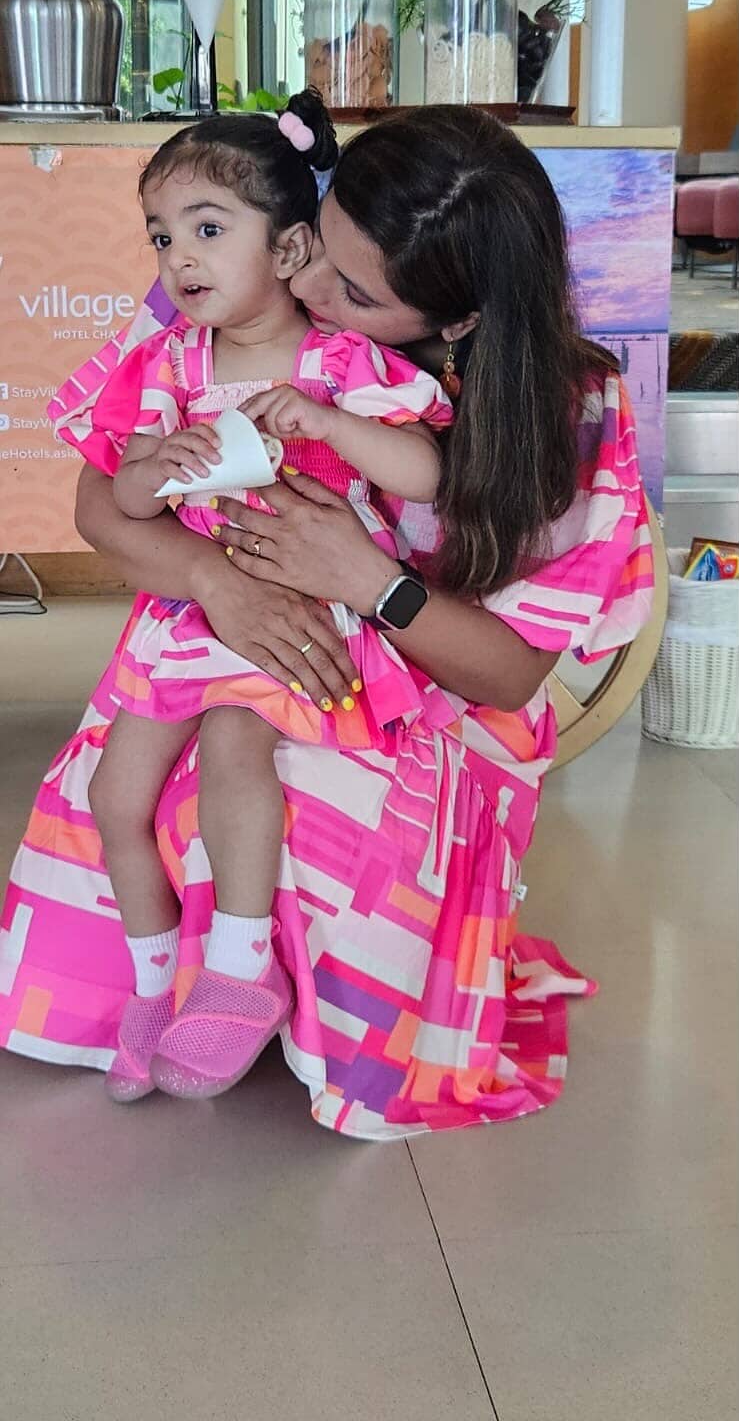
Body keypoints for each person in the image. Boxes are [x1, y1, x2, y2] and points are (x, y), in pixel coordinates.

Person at [0, 107, 654, 1140]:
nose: (303, 285)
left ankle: (269, 986)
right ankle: (167, 990)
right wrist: (220, 583)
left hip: (432, 691)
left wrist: (368, 580)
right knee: (115, 790)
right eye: (312, 242)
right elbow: (101, 502)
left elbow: (507, 675)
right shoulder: (231, 269)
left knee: (271, 790)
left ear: (455, 324)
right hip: (233, 624)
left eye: (353, 290)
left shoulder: (565, 412)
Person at [63, 97, 453, 1104]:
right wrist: (157, 467)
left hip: (302, 606)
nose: (178, 258)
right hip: (187, 616)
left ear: (287, 250)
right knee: (114, 796)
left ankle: (238, 974)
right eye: (162, 236)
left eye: (206, 229)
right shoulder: (167, 364)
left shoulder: (340, 363)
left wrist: (329, 423)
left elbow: (422, 472)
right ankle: (152, 988)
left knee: (238, 754)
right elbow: (122, 500)